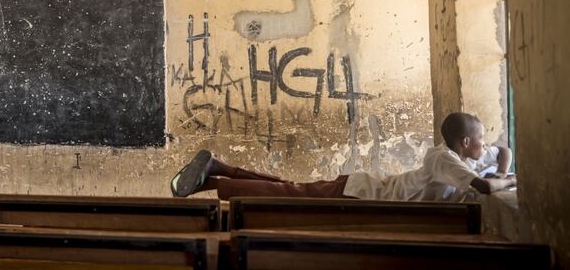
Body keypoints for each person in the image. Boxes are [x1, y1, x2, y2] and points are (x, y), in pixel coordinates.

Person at [170, 112, 516, 201]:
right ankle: (215, 177)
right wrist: (512, 180)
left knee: (291, 190)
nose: (486, 147)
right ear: (465, 141)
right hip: (363, 194)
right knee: (289, 194)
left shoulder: (468, 157)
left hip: (364, 190)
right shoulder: (444, 160)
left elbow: (504, 151)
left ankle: (217, 172)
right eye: (481, 141)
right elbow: (484, 190)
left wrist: (499, 169)